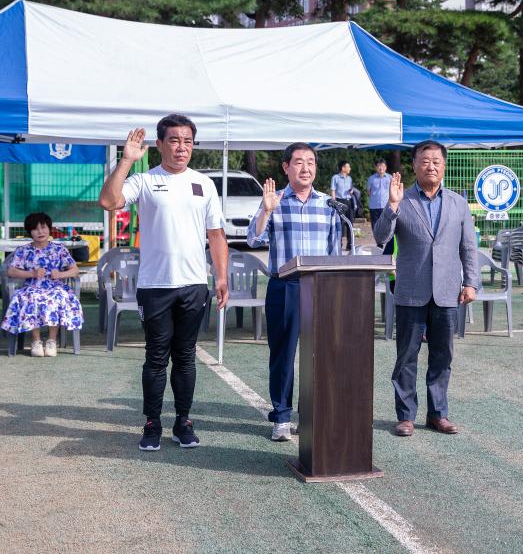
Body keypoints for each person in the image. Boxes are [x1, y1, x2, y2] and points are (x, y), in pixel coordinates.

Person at [99, 115, 229, 452]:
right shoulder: (143, 180)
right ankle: (152, 422)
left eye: (187, 141)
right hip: (155, 285)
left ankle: (183, 421)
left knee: (185, 356)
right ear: (159, 145)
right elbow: (108, 202)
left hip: (193, 285)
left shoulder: (205, 184)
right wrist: (127, 159)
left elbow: (216, 235)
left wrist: (222, 276)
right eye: (174, 140)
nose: (181, 147)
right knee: (156, 357)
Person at [373, 140, 479, 437]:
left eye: (436, 161)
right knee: (406, 356)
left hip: (447, 291)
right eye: (424, 160)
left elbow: (468, 247)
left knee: (443, 356)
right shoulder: (402, 199)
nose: (430, 166)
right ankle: (405, 416)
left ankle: (438, 414)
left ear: (443, 166)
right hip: (410, 290)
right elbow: (381, 238)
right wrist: (392, 205)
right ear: (414, 165)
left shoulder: (458, 203)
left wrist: (471, 282)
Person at [247, 143, 341, 442]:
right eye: (298, 162)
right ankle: (282, 418)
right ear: (286, 167)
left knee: (319, 356)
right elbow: (253, 238)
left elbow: (335, 253)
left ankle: (312, 415)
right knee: (283, 354)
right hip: (284, 286)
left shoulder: (328, 205)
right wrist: (265, 209)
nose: (306, 168)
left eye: (311, 162)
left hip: (320, 288)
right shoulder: (274, 202)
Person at [1, 212, 83, 357]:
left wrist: (60, 274)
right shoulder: (23, 250)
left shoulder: (59, 249)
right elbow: (11, 271)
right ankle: (36, 340)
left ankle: (51, 340)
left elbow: (75, 270)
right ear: (30, 232)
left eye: (43, 227)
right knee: (31, 297)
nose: (40, 232)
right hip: (31, 286)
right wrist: (31, 274)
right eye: (35, 229)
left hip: (55, 287)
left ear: (49, 228)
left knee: (58, 296)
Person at [366, 159, 393, 253]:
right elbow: (368, 191)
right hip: (374, 205)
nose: (381, 168)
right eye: (379, 166)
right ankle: (379, 243)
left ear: (386, 167)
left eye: (383, 166)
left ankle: (389, 243)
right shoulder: (371, 178)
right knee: (375, 225)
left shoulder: (390, 178)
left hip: (386, 205)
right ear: (376, 167)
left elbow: (392, 191)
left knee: (388, 225)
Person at [331, 160, 355, 251]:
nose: (350, 168)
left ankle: (350, 245)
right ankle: (339, 244)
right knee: (339, 224)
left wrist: (351, 191)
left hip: (348, 201)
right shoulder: (335, 178)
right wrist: (334, 203)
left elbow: (351, 189)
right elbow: (333, 190)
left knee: (350, 223)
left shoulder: (349, 178)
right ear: (343, 168)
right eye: (348, 167)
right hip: (339, 202)